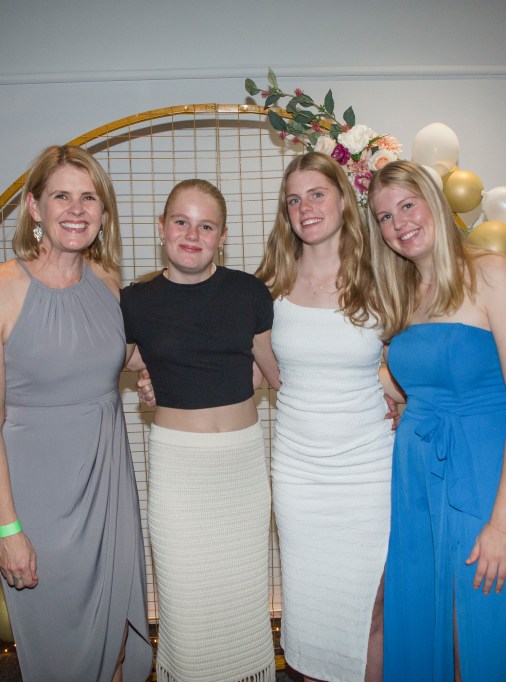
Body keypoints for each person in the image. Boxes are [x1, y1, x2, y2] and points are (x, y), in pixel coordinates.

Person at [0, 145, 152, 681]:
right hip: (39, 503)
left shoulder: (107, 282)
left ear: (103, 212)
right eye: (61, 196)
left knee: (117, 639)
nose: (76, 209)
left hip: (109, 491)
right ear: (34, 207)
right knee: (60, 648)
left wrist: (152, 371)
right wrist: (8, 530)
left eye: (89, 198)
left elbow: (113, 356)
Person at [367, 160, 506, 681]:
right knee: (427, 623)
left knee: (483, 629)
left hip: (486, 476)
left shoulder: (491, 272)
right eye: (384, 216)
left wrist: (504, 523)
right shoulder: (405, 293)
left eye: (407, 205)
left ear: (435, 202)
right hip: (417, 479)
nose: (398, 223)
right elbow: (415, 379)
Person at [120, 179, 280, 681]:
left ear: (223, 236)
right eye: (181, 222)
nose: (192, 235)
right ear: (161, 227)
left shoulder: (249, 292)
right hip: (178, 472)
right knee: (187, 606)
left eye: (206, 226)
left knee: (243, 600)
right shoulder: (134, 301)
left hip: (241, 470)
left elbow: (274, 371)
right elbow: (120, 360)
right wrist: (146, 377)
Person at [254, 151, 397, 682]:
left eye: (317, 194)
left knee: (371, 606)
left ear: (343, 199)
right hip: (299, 470)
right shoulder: (268, 284)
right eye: (294, 199)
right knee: (312, 612)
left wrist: (392, 382)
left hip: (369, 466)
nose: (305, 207)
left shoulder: (383, 274)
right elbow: (262, 372)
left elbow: (414, 353)